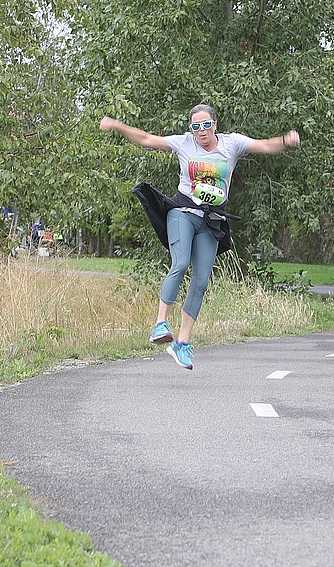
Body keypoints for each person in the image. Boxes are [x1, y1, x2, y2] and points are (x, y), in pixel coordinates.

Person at [100, 104, 300, 370]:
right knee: (180, 263)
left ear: (215, 125)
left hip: (212, 219)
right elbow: (147, 139)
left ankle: (181, 344)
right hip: (182, 212)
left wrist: (285, 141)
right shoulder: (184, 144)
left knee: (201, 281)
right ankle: (160, 324)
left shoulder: (232, 144)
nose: (202, 131)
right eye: (196, 127)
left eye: (206, 125)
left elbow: (264, 146)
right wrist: (116, 125)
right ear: (190, 129)